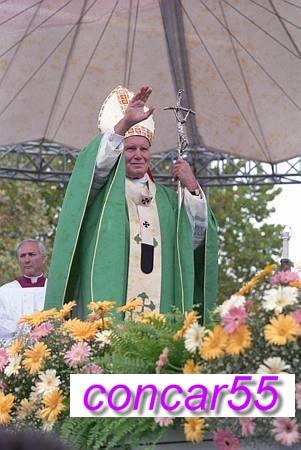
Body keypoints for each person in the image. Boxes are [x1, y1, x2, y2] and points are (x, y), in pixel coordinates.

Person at [45, 86, 218, 323]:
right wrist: (124, 125)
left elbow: (192, 242)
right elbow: (96, 169)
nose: (138, 155)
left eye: (143, 149)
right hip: (112, 310)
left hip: (159, 309)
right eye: (129, 148)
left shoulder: (167, 201)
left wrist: (191, 188)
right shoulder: (104, 195)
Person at [0, 239, 47, 340]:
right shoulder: (5, 291)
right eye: (22, 256)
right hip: (14, 350)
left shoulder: (54, 289)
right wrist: (27, 329)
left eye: (31, 254)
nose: (27, 260)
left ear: (44, 258)